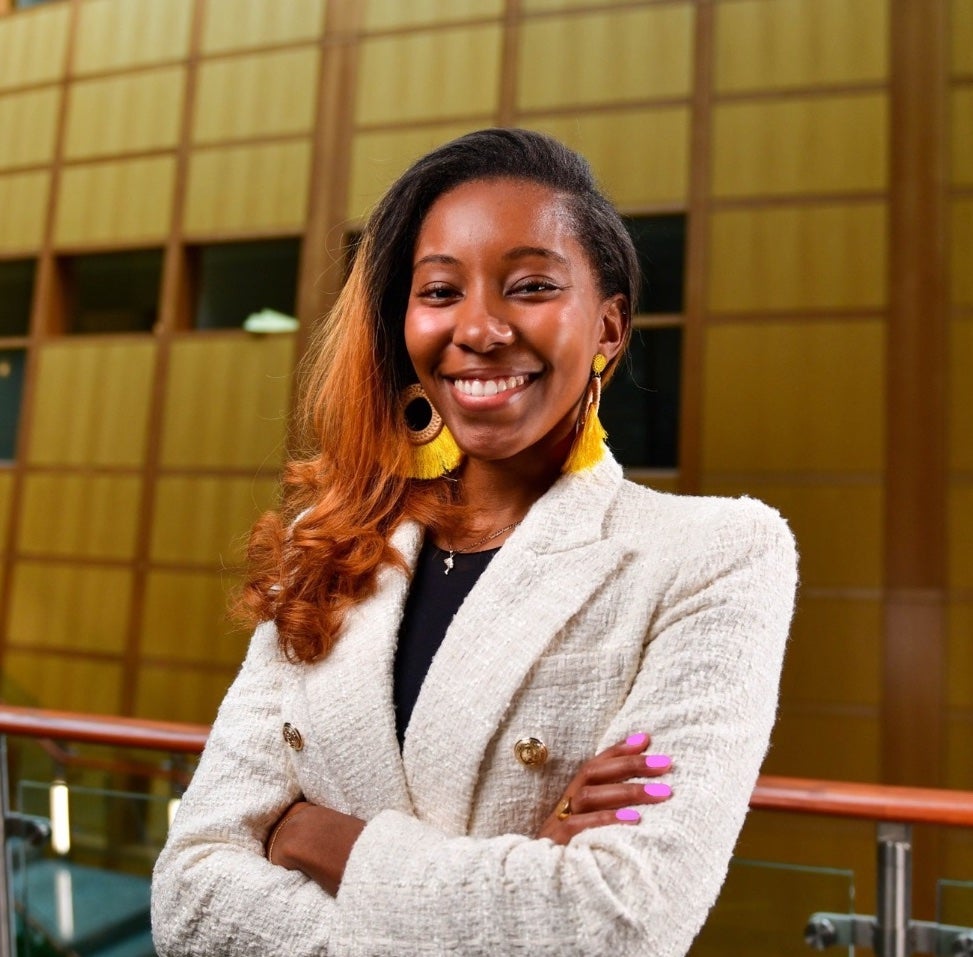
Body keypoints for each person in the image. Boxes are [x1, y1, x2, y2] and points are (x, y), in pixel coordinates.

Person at [151, 128, 798, 957]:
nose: (480, 329)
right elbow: (189, 897)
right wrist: (515, 876)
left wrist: (316, 837)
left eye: (529, 285)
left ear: (607, 326)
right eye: (439, 291)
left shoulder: (714, 553)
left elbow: (616, 921)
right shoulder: (330, 542)